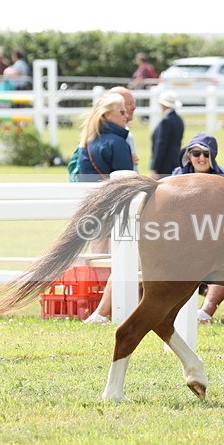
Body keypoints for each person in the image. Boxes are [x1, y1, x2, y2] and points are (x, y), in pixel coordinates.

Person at [81, 91, 139, 325]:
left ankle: (101, 309)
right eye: (122, 112)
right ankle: (106, 311)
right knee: (126, 260)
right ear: (108, 115)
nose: (127, 116)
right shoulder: (117, 143)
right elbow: (128, 184)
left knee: (100, 258)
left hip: (94, 210)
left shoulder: (88, 141)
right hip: (118, 212)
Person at [170, 133, 224, 324]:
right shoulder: (177, 177)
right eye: (196, 153)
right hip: (180, 239)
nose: (201, 158)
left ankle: (204, 313)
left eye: (206, 154)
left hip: (213, 239)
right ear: (189, 155)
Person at [150, 90, 184, 178]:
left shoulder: (166, 121)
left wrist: (154, 167)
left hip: (164, 164)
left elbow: (161, 145)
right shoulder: (179, 120)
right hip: (175, 161)